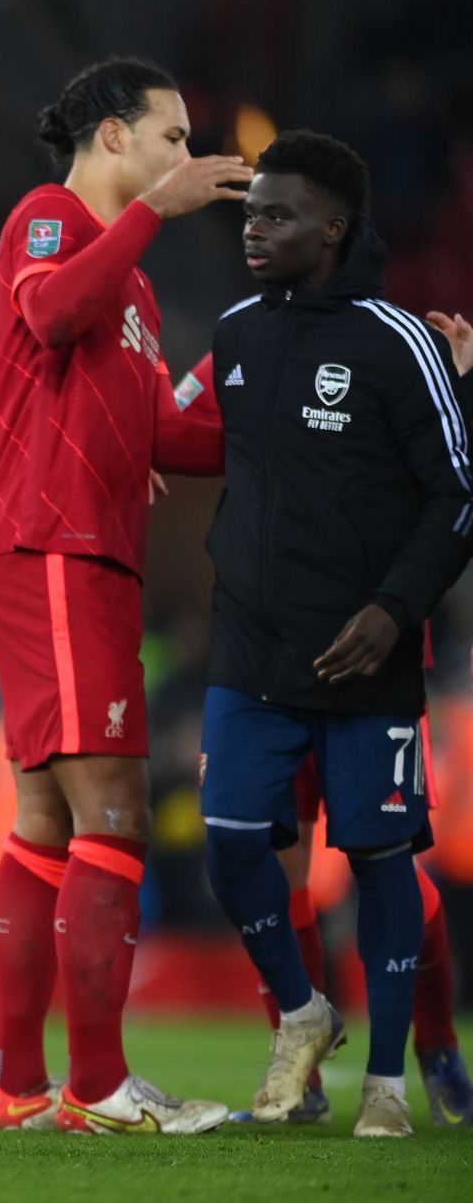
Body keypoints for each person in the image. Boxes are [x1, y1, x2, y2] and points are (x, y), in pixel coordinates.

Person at [0, 57, 242, 1135]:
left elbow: (169, 432)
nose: (185, 158)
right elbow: (49, 317)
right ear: (114, 135)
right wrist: (157, 218)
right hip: (53, 547)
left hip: (85, 551)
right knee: (116, 815)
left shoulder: (132, 282)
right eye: (172, 137)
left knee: (46, 824)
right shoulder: (50, 219)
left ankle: (20, 1088)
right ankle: (96, 1086)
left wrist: (275, 399)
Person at [195, 130, 473, 1137]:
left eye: (275, 214)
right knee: (229, 847)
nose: (253, 230)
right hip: (253, 649)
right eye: (248, 212)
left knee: (379, 860)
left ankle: (393, 1080)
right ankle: (304, 1014)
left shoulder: (400, 343)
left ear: (332, 228)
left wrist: (395, 611)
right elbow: (185, 432)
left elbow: (457, 491)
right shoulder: (234, 333)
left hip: (368, 655)